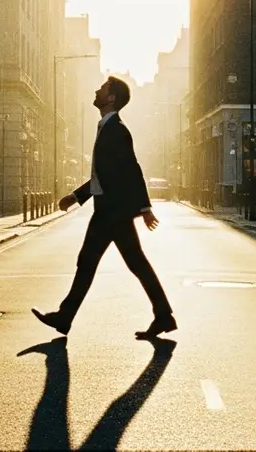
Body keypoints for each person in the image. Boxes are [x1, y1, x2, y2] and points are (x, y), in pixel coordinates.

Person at [31, 76, 177, 339]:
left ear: (110, 98)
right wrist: (76, 196)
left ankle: (65, 317)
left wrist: (144, 207)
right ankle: (163, 315)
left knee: (89, 262)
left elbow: (133, 169)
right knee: (133, 264)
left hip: (111, 212)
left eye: (102, 88)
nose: (96, 90)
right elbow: (104, 175)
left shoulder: (117, 130)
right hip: (113, 211)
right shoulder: (107, 127)